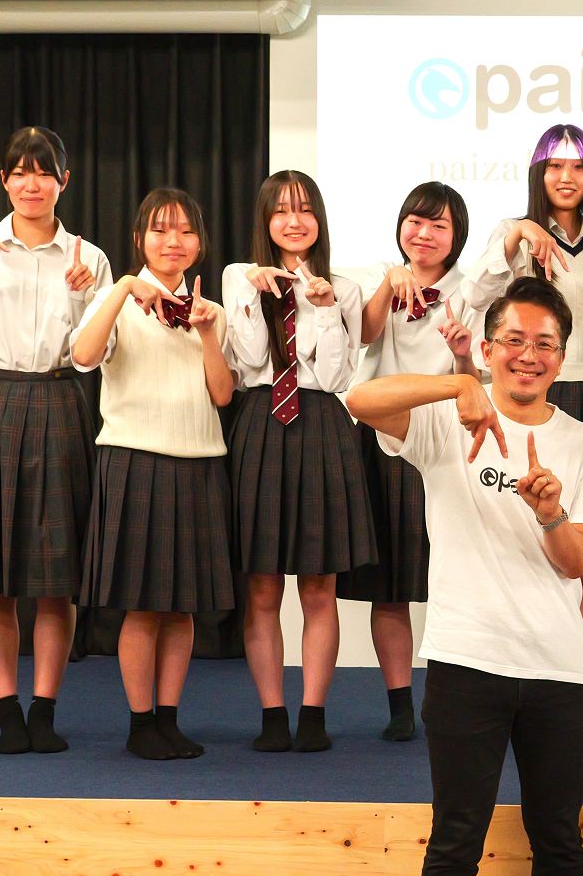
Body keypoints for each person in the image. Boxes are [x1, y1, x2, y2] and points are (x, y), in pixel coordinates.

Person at [346, 275, 583, 876]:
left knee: (557, 836)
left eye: (545, 344)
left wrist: (551, 511)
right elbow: (359, 400)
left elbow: (578, 564)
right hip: (466, 658)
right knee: (456, 836)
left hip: (557, 668)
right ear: (490, 347)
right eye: (514, 341)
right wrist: (457, 383)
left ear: (562, 356)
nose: (529, 356)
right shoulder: (445, 419)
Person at [0, 126, 110, 754]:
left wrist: (90, 296)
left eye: (43, 172)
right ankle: (6, 708)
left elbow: (99, 353)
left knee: (56, 575)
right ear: (4, 181)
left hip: (62, 400)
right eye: (19, 172)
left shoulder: (87, 256)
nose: (30, 183)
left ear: (64, 181)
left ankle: (45, 708)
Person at [462, 125, 583, 740]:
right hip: (525, 392)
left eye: (577, 167)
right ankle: (514, 682)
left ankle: (577, 690)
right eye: (554, 166)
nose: (566, 177)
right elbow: (475, 297)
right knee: (516, 542)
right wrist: (513, 237)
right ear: (538, 174)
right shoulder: (513, 236)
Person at [70, 188, 236, 760]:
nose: (174, 242)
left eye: (186, 231)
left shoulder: (210, 310)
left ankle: (168, 718)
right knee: (142, 605)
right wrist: (121, 289)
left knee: (182, 606)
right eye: (161, 230)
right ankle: (140, 723)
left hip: (199, 462)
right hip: (135, 459)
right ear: (140, 237)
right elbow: (83, 356)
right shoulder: (114, 297)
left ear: (200, 242)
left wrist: (208, 332)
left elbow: (222, 394)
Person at [223, 170, 374, 753]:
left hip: (322, 425)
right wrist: (256, 294)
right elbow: (249, 358)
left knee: (318, 586)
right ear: (265, 220)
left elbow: (336, 376)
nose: (294, 221)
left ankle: (313, 712)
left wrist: (325, 308)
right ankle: (271, 713)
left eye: (305, 209)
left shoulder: (345, 288)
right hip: (261, 422)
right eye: (281, 210)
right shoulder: (239, 276)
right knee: (262, 587)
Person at [339, 181, 473, 743]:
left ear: (456, 237)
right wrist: (389, 283)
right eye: (416, 222)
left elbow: (474, 374)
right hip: (382, 434)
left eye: (439, 226)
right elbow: (364, 336)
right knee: (390, 582)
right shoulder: (377, 275)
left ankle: (450, 698)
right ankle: (399, 705)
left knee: (457, 577)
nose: (424, 234)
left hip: (445, 440)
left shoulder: (472, 289)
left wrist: (463, 352)